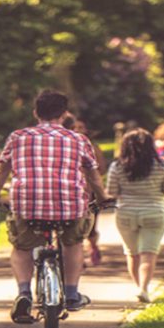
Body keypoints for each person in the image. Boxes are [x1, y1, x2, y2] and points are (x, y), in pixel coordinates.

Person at [0, 89, 111, 323]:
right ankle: (71, 294)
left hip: (27, 205)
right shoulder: (79, 139)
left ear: (36, 113)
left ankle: (24, 293)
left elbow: (2, 169)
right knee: (73, 242)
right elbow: (93, 174)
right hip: (69, 206)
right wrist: (102, 197)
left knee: (22, 247)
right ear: (64, 115)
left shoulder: (17, 137)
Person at [107, 129, 164, 303]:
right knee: (148, 253)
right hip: (154, 212)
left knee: (132, 253)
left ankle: (138, 287)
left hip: (126, 213)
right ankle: (144, 289)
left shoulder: (117, 166)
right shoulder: (162, 165)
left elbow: (112, 191)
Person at [63, 114, 108, 266]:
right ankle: (77, 257)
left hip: (90, 191)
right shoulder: (63, 146)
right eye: (74, 127)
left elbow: (101, 169)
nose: (77, 130)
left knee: (90, 228)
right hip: (70, 191)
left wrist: (89, 175)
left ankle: (93, 246)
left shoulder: (94, 149)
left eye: (81, 127)